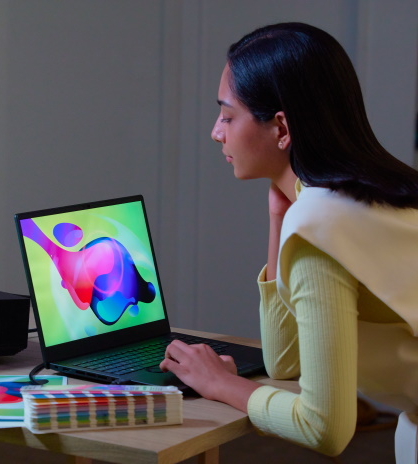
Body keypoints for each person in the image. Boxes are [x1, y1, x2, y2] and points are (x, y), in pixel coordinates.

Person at [159, 22, 418, 461]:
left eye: (227, 115)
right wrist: (280, 219)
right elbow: (286, 363)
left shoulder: (321, 225)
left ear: (281, 127)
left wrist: (223, 384)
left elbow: (323, 427)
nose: (215, 132)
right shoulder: (383, 192)